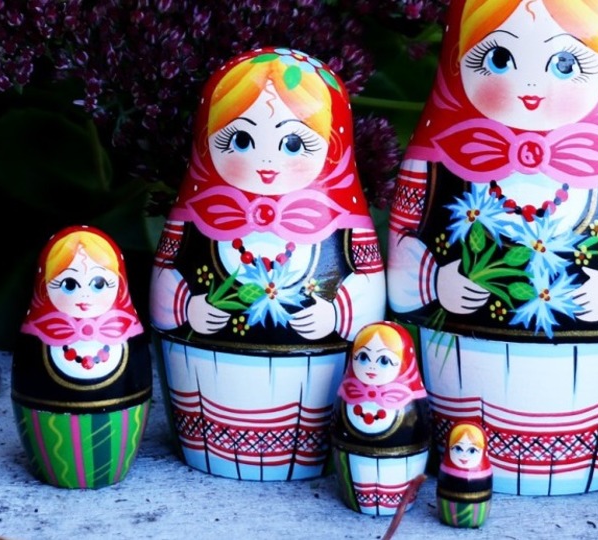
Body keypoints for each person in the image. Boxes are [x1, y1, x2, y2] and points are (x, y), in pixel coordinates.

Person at [386, 0, 598, 495]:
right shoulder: (435, 168)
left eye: (564, 63)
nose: (530, 84)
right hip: (455, 388)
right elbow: (404, 253)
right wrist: (435, 281)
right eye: (500, 59)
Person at [149, 48, 385, 481]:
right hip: (206, 402)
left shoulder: (344, 229)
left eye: (293, 143)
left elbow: (365, 285)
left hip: (313, 397)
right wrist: (187, 307)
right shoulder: (195, 222)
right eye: (240, 140)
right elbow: (169, 276)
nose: (267, 160)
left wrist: (337, 313)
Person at [12, 225, 151, 489]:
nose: (85, 294)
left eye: (99, 284)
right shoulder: (35, 340)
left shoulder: (128, 336)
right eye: (69, 284)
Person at [331, 322, 430, 516]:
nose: (371, 366)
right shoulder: (348, 393)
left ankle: (400, 499)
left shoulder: (410, 399)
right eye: (363, 357)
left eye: (384, 360)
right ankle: (353, 497)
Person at [436, 421, 493, 528]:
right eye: (458, 449)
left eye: (472, 451)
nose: (464, 455)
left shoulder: (484, 472)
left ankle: (475, 519)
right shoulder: (446, 468)